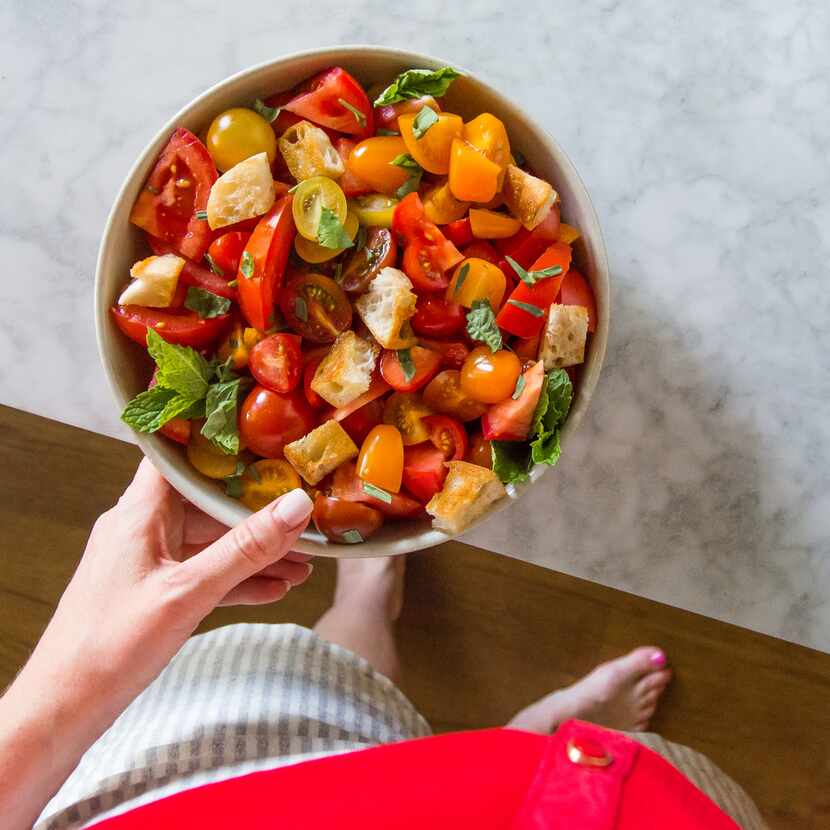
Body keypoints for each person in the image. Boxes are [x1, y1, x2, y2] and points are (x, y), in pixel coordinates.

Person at [0, 461, 767, 829]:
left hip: (198, 791)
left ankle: (368, 593)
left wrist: (73, 677)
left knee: (327, 683)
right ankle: (529, 739)